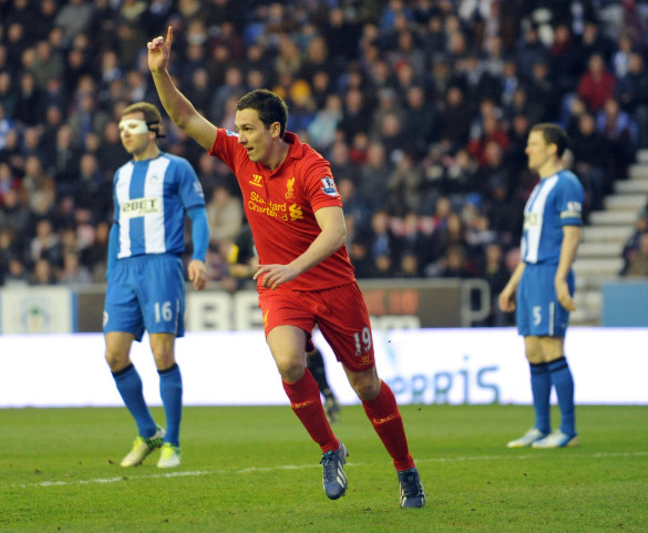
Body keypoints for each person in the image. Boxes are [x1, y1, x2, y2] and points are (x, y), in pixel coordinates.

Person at [148, 27, 424, 508]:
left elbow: (335, 232)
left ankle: (406, 470)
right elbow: (184, 116)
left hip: (332, 285)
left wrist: (293, 267)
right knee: (289, 361)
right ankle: (330, 448)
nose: (240, 136)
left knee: (366, 384)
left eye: (249, 128)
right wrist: (160, 73)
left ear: (275, 129)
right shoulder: (238, 155)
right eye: (238, 127)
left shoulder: (311, 167)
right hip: (283, 288)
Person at [103, 101, 209, 469]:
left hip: (162, 266)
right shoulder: (119, 175)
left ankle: (174, 443)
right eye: (120, 129)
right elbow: (117, 226)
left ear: (152, 129)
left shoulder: (176, 168)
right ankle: (149, 431)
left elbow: (198, 213)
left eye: (130, 127)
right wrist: (110, 272)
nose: (124, 134)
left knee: (162, 354)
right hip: (125, 272)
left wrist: (199, 257)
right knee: (114, 355)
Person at [498, 123, 584, 449]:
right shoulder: (538, 189)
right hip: (531, 275)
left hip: (550, 273)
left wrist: (561, 278)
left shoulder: (567, 184)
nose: (527, 149)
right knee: (532, 350)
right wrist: (510, 286)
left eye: (534, 144)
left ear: (552, 148)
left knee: (552, 348)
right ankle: (541, 427)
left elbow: (572, 236)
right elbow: (529, 245)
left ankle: (569, 430)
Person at [227, 222, 342, 423]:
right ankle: (323, 398)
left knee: (306, 347)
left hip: (297, 289)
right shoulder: (245, 234)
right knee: (291, 353)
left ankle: (326, 394)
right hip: (269, 296)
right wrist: (250, 269)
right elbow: (233, 267)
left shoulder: (285, 224)